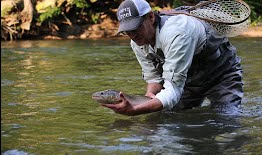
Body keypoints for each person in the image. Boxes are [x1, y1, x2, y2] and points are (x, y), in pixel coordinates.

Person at [102, 0, 244, 116]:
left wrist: (135, 110)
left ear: (150, 17)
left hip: (221, 75)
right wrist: (147, 98)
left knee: (226, 119)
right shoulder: (137, 43)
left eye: (136, 28)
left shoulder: (177, 32)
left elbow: (173, 90)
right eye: (127, 31)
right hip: (188, 80)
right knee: (166, 118)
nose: (133, 36)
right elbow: (154, 78)